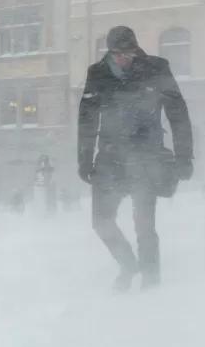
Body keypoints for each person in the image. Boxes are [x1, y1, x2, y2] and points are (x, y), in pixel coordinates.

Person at [77, 26, 193, 290]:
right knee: (101, 222)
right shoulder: (98, 73)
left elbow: (178, 114)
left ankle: (151, 283)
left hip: (146, 158)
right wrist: (84, 160)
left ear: (136, 49)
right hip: (109, 159)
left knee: (144, 226)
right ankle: (129, 264)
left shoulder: (157, 69)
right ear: (109, 52)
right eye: (117, 54)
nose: (123, 59)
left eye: (128, 53)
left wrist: (184, 157)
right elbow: (87, 119)